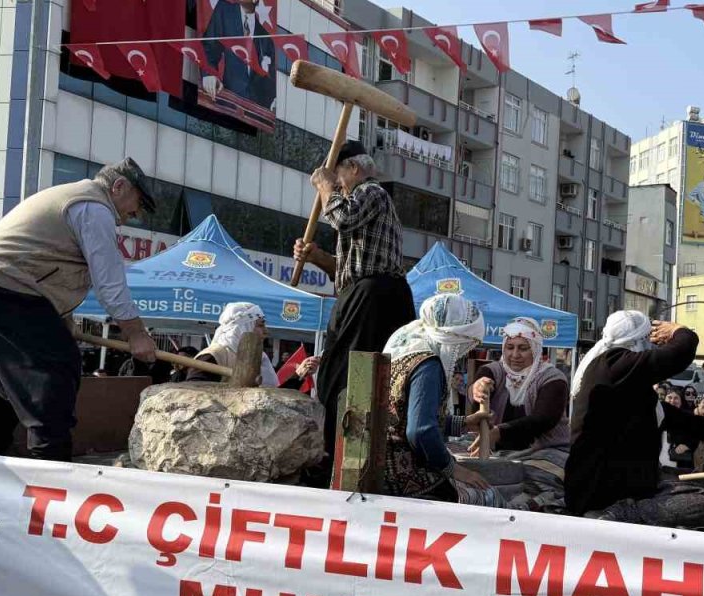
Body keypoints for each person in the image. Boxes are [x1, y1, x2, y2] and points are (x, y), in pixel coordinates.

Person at [0, 157, 158, 461]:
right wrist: (136, 333)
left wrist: (62, 321)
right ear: (119, 186)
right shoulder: (94, 208)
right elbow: (110, 282)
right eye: (138, 204)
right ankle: (49, 460)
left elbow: (49, 270)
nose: (134, 214)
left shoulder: (76, 201)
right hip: (3, 284)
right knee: (57, 368)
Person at [295, 141, 415, 480]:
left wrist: (324, 186)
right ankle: (333, 452)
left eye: (339, 176)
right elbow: (348, 270)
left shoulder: (371, 193)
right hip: (361, 293)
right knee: (334, 376)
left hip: (377, 297)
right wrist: (316, 256)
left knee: (350, 377)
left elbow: (343, 219)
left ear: (354, 169)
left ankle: (344, 456)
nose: (337, 183)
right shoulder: (360, 203)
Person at [564, 311, 700, 516]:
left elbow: (657, 409)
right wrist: (680, 331)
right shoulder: (616, 363)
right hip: (601, 495)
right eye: (646, 338)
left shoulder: (618, 368)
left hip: (617, 489)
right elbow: (678, 354)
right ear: (636, 339)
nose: (650, 344)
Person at [380, 294, 492, 502]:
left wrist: (464, 423)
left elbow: (406, 414)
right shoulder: (428, 364)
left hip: (383, 464)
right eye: (464, 345)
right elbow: (420, 431)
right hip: (401, 475)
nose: (461, 354)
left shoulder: (405, 344)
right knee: (486, 497)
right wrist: (454, 469)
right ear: (452, 337)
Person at [469, 318, 570, 453]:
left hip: (545, 451)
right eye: (510, 347)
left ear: (535, 349)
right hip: (495, 450)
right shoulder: (493, 371)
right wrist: (476, 388)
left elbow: (543, 419)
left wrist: (499, 432)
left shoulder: (552, 378)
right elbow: (478, 409)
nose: (515, 355)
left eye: (523, 348)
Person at [187, 303, 315, 389]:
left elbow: (272, 402)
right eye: (260, 325)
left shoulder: (260, 358)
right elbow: (192, 396)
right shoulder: (214, 356)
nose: (266, 331)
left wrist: (299, 375)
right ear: (242, 328)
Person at [201, 0, 276, 110]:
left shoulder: (265, 38)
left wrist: (273, 100)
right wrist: (209, 74)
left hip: (255, 113)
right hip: (227, 102)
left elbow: (269, 80)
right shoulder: (225, 11)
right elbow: (209, 47)